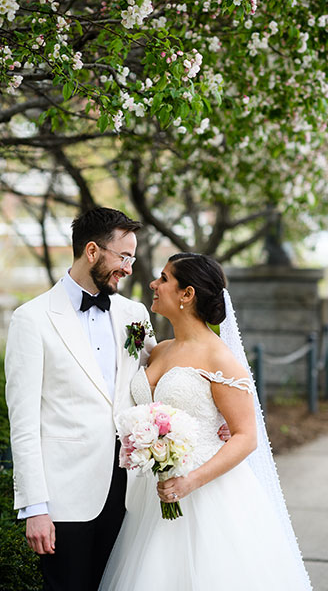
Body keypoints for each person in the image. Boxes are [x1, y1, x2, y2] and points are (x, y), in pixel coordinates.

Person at [99, 252, 312, 591]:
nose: (154, 284)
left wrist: (190, 482)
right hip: (150, 492)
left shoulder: (219, 358)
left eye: (164, 279)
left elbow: (245, 436)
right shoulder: (158, 349)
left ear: (188, 294)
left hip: (205, 492)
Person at [5, 207, 157, 591]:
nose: (128, 267)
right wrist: (35, 508)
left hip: (129, 493)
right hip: (65, 499)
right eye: (123, 256)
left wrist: (213, 409)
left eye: (132, 257)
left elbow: (160, 373)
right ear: (92, 251)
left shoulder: (133, 313)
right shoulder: (32, 319)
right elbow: (23, 423)